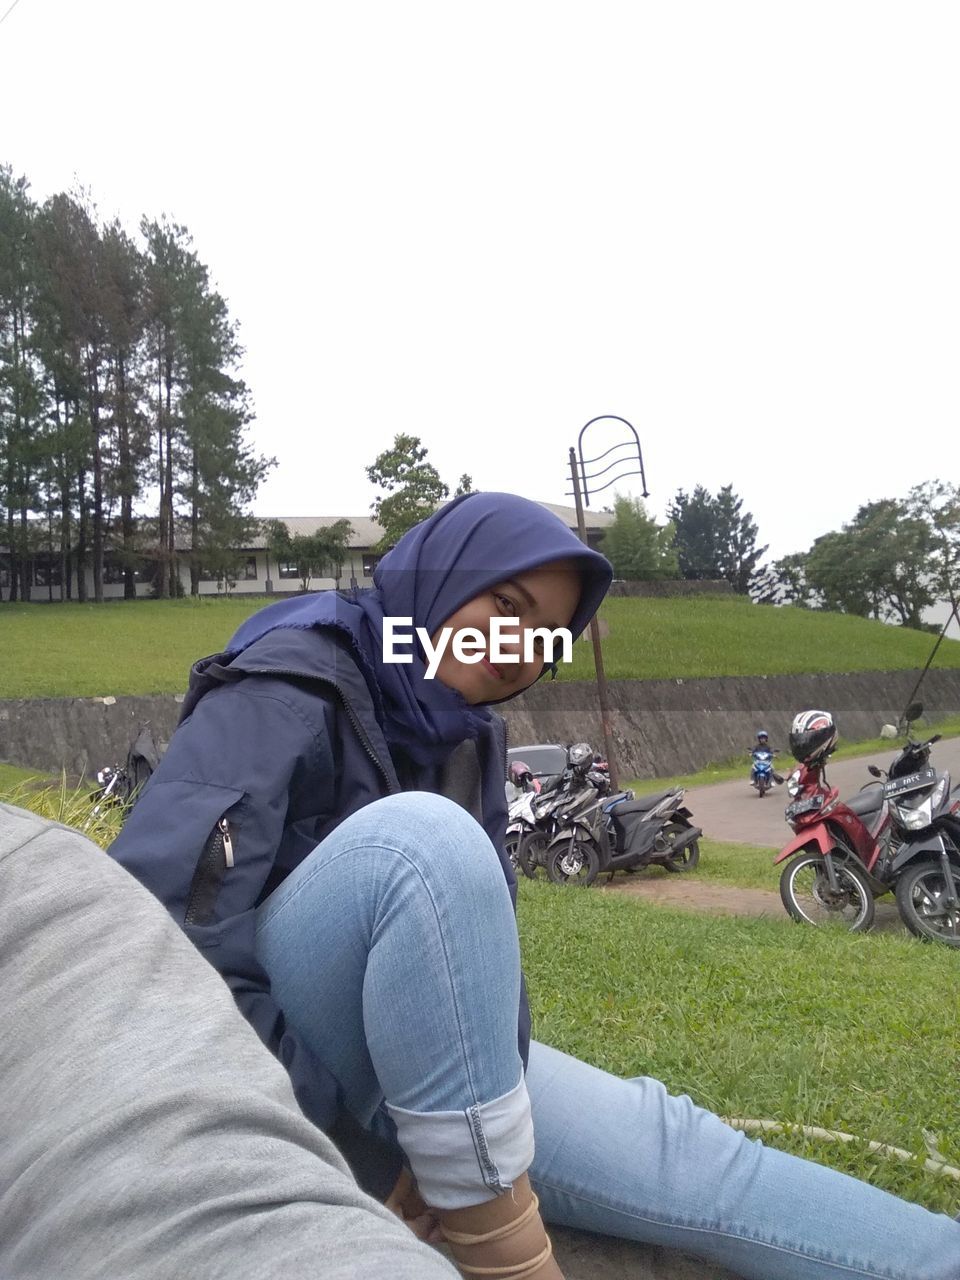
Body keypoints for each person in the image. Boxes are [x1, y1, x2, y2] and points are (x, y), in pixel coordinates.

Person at [110, 492, 960, 1280]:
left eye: (544, 634)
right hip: (270, 1055)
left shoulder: (471, 737)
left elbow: (484, 958)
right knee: (421, 840)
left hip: (417, 1068)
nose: (516, 645)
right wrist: (352, 1147)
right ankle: (503, 1248)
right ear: (440, 579)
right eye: (505, 607)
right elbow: (154, 933)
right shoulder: (292, 681)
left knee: (682, 1150)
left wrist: (484, 1101)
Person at [0, 800, 457, 1280]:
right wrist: (360, 1155)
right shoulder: (40, 875)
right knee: (418, 846)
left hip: (408, 1052)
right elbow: (185, 918)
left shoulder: (478, 743)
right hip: (290, 1051)